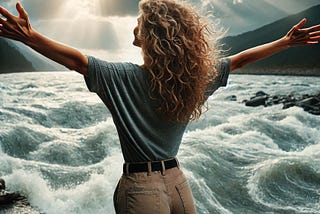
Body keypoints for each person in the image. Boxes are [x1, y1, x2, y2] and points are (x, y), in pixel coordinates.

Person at [0, 0, 319, 213]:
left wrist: (30, 37)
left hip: (142, 189)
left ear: (151, 34)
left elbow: (77, 62)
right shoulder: (193, 80)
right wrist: (284, 43)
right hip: (178, 184)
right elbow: (238, 61)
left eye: (139, 23)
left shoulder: (121, 77)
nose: (133, 27)